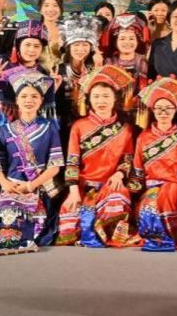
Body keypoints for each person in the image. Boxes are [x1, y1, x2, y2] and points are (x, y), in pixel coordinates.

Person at [57, 66, 138, 248]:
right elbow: (72, 162)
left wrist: (120, 174)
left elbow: (127, 159)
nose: (101, 101)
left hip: (111, 185)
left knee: (116, 200)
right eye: (96, 97)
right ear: (89, 99)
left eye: (106, 96)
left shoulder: (125, 128)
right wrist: (73, 191)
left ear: (115, 98)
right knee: (70, 219)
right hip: (85, 186)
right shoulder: (79, 126)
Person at [0, 68, 63, 253]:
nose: (29, 100)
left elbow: (55, 166)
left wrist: (30, 186)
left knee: (38, 229)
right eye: (24, 96)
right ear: (16, 100)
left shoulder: (50, 128)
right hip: (12, 186)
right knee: (8, 227)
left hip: (38, 187)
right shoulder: (5, 129)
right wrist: (5, 183)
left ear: (41, 100)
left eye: (34, 96)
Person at [129, 77, 177, 251]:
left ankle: (168, 236)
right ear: (153, 110)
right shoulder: (143, 137)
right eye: (159, 108)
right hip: (151, 189)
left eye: (168, 108)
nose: (163, 112)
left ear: (176, 110)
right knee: (148, 210)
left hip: (173, 188)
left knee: (165, 200)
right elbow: (137, 171)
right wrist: (132, 193)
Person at [56, 13, 104, 145]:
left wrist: (98, 69)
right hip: (64, 127)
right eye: (76, 45)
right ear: (69, 47)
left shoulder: (95, 69)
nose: (80, 49)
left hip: (91, 125)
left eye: (85, 45)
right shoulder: (58, 70)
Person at [101, 12, 151, 92]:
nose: (127, 42)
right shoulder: (109, 61)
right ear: (115, 43)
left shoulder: (143, 61)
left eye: (131, 38)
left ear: (137, 41)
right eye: (122, 39)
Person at [37, 0, 65, 72]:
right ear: (40, 9)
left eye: (55, 5)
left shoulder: (68, 31)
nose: (50, 9)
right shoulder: (34, 31)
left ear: (61, 9)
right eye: (46, 5)